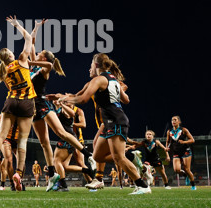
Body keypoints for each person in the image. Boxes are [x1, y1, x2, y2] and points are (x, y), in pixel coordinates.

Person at [50, 53, 151, 195]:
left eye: (91, 64)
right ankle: (129, 156)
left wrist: (64, 101)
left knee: (118, 158)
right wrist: (65, 98)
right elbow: (126, 100)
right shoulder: (112, 79)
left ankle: (142, 185)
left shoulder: (99, 80)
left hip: (115, 120)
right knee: (97, 156)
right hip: (110, 122)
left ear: (96, 65)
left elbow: (83, 99)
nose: (89, 67)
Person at [28, 19, 96, 191]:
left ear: (43, 58)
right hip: (32, 107)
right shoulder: (36, 67)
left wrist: (29, 63)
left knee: (60, 132)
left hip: (42, 103)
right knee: (44, 142)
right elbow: (31, 43)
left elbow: (49, 64)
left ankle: (89, 155)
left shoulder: (44, 68)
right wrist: (36, 27)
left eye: (39, 55)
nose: (36, 55)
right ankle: (53, 176)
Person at [0, 16, 37, 191]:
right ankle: (18, 174)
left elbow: (10, 87)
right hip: (26, 101)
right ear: (11, 55)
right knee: (23, 141)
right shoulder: (21, 59)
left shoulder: (4, 72)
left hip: (11, 101)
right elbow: (29, 39)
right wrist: (17, 26)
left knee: (1, 135)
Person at [51, 101, 95, 192]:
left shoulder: (71, 110)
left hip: (71, 139)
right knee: (64, 167)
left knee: (57, 161)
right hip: (70, 139)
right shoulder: (59, 109)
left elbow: (76, 117)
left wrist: (72, 123)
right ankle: (88, 171)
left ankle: (63, 185)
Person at [165, 115, 196, 190]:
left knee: (187, 169)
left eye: (175, 120)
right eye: (172, 120)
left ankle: (193, 185)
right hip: (176, 152)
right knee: (176, 170)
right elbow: (168, 141)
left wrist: (184, 142)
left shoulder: (184, 130)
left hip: (186, 151)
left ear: (179, 121)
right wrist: (167, 147)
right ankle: (186, 176)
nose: (173, 121)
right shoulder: (169, 131)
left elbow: (192, 140)